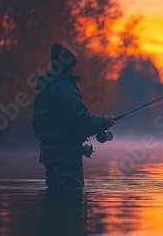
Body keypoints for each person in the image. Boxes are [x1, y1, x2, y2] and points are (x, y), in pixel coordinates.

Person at [32, 43, 115, 189]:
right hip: (66, 156)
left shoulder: (43, 91)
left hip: (48, 154)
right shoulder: (64, 89)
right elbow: (80, 119)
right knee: (70, 196)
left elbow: (38, 126)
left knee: (54, 198)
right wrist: (103, 122)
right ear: (68, 67)